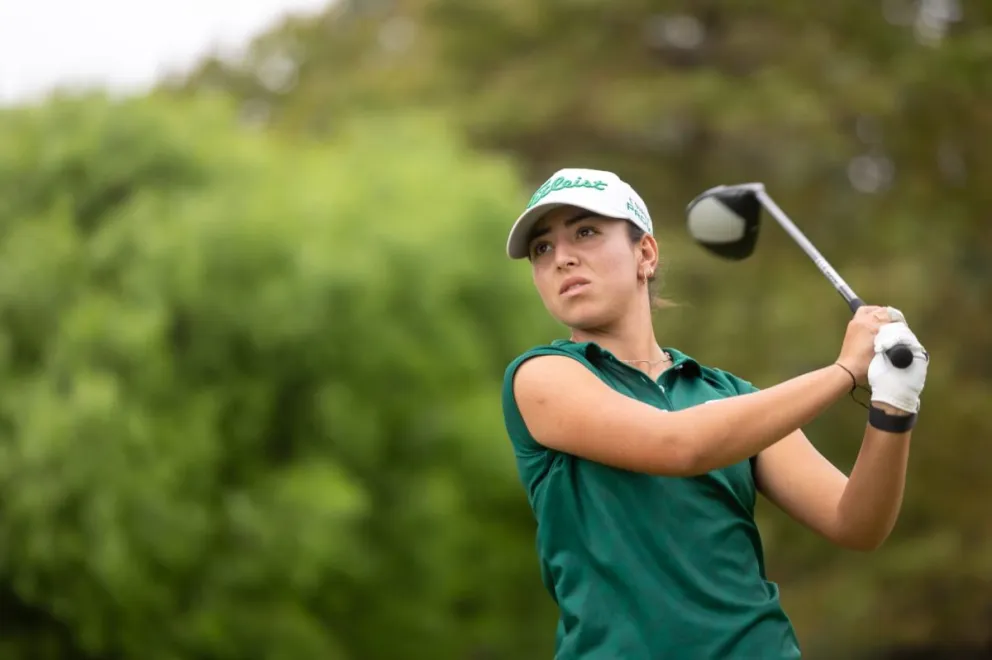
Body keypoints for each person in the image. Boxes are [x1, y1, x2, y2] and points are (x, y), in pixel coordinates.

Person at [500, 168, 930, 659]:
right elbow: (679, 445)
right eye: (542, 249)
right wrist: (844, 372)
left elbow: (855, 523)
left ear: (645, 254)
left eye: (586, 232)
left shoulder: (727, 394)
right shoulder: (541, 377)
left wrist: (894, 406)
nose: (563, 258)